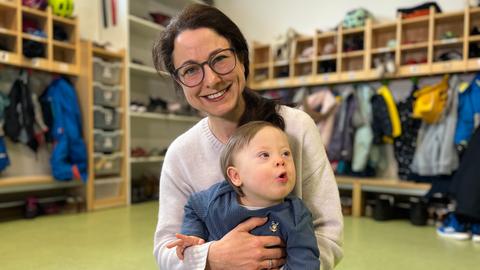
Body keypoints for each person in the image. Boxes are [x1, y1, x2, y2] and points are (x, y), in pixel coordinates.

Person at [152, 4, 343, 270]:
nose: (211, 80)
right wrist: (212, 257)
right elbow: (166, 249)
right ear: (179, 82)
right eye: (190, 70)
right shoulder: (181, 154)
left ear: (241, 58)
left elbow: (327, 231)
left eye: (219, 58)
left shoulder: (296, 127)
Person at [167, 121, 320, 269]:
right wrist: (194, 235)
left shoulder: (296, 215)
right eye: (264, 155)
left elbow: (305, 263)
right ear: (235, 176)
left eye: (285, 153)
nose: (280, 160)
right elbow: (193, 207)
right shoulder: (218, 199)